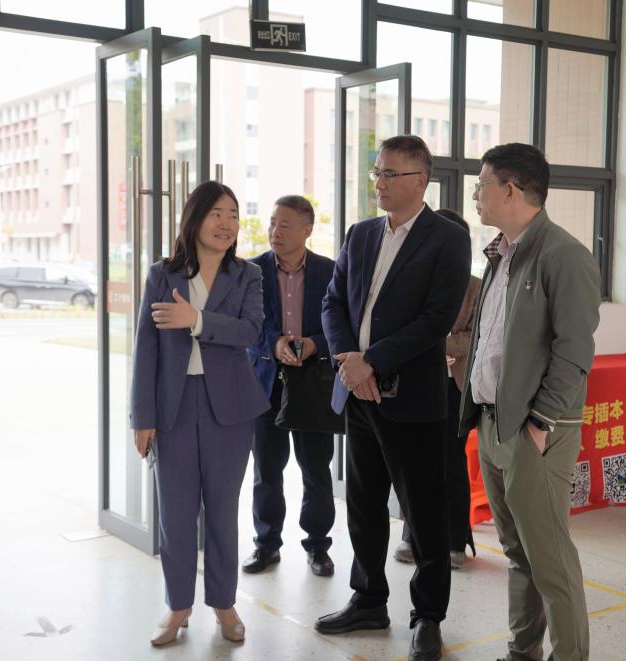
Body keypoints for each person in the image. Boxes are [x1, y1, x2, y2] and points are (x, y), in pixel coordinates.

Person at [317, 135, 471, 661]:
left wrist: (373, 361)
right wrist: (348, 360)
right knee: (363, 504)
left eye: (390, 174)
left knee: (423, 512)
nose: (379, 183)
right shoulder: (361, 234)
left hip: (412, 399)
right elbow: (332, 302)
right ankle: (368, 599)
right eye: (377, 172)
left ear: (420, 180)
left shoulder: (447, 239)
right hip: (358, 393)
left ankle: (427, 616)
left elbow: (435, 319)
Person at [457, 143, 600, 661]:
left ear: (511, 190)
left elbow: (574, 351)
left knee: (550, 560)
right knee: (518, 552)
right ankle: (523, 652)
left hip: (534, 431)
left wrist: (540, 423)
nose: (477, 195)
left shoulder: (563, 255)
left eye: (482, 185)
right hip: (494, 424)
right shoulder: (501, 253)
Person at [130, 181, 268, 646]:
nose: (227, 223)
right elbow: (145, 349)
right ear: (194, 219)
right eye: (217, 214)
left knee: (223, 513)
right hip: (171, 408)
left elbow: (251, 331)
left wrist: (198, 320)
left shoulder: (247, 275)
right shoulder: (161, 274)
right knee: (175, 513)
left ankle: (224, 603)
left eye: (233, 215)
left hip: (229, 410)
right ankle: (178, 606)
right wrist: (142, 417)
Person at [242, 195, 337, 578]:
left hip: (312, 383)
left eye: (284, 224)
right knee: (267, 469)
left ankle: (318, 546)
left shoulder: (330, 271)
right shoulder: (251, 271)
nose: (275, 231)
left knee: (316, 469)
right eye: (272, 223)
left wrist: (314, 344)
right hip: (265, 383)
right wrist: (274, 343)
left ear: (306, 230)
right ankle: (266, 544)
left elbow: (342, 325)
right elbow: (248, 324)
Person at [394, 208, 481, 570]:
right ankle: (411, 535)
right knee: (413, 462)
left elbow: (476, 338)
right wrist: (432, 341)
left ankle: (455, 540)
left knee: (450, 463)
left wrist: (432, 342)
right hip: (417, 382)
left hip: (455, 387)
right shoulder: (411, 280)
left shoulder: (476, 286)